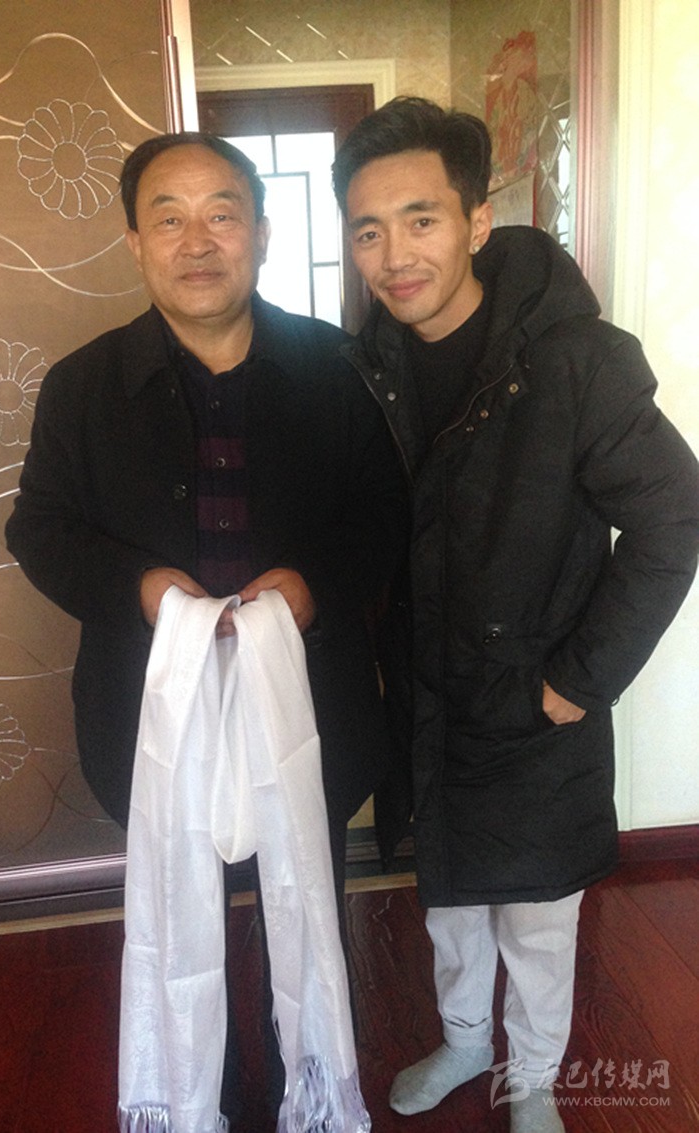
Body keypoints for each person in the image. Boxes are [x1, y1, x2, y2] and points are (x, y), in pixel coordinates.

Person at [5, 131, 406, 1127]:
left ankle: (307, 1089)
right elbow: (39, 528)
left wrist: (312, 587)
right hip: (152, 711)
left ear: (261, 234)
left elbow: (386, 516)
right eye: (169, 218)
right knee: (185, 910)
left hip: (307, 700)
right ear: (135, 241)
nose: (198, 241)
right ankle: (203, 1099)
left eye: (222, 214)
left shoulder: (336, 367)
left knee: (302, 901)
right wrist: (141, 589)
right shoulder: (83, 384)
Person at [331, 97, 699, 1133]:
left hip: (537, 700)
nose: (396, 254)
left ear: (477, 220)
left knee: (538, 910)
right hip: (425, 696)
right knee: (448, 894)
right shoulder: (368, 366)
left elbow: (674, 519)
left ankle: (532, 1072)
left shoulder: (573, 360)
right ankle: (463, 1039)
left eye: (421, 219)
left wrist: (580, 677)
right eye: (369, 230)